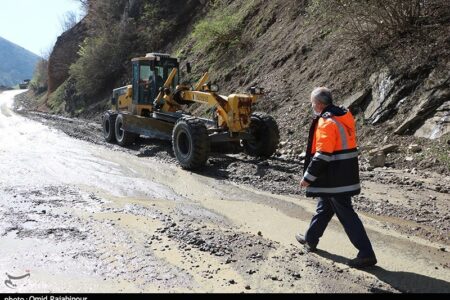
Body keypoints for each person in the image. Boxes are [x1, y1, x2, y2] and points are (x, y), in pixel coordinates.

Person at [297, 87, 377, 268]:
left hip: (334, 177)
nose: (312, 106)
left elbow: (323, 154)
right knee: (324, 207)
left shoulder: (326, 122)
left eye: (312, 103)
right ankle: (310, 239)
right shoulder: (343, 117)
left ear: (318, 104)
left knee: (346, 214)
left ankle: (366, 253)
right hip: (342, 174)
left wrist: (308, 177)